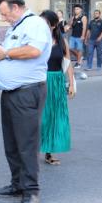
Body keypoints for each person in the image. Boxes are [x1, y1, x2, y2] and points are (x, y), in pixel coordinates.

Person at [0, 0, 52, 203]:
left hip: (27, 92)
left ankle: (31, 190)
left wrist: (6, 53)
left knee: (26, 143)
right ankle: (17, 184)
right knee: (12, 143)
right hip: (11, 93)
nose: (4, 18)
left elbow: (34, 50)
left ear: (16, 7)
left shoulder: (35, 24)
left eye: (5, 14)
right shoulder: (17, 27)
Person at [39, 10, 75, 166]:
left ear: (53, 25)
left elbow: (67, 63)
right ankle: (33, 148)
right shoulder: (38, 40)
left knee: (54, 117)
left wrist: (71, 83)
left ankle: (49, 151)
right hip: (41, 81)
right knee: (41, 117)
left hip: (57, 82)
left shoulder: (62, 41)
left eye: (45, 23)